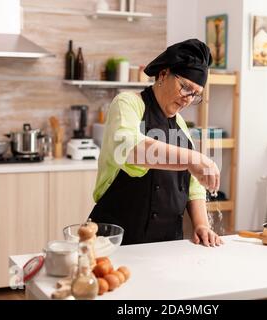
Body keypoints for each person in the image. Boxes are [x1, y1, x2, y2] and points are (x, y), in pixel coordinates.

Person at [89, 39, 223, 247]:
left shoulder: (180, 125)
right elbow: (129, 149)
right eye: (185, 87)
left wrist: (201, 224)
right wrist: (192, 159)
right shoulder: (128, 103)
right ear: (163, 75)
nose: (188, 99)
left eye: (195, 94)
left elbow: (193, 186)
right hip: (115, 239)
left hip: (166, 242)